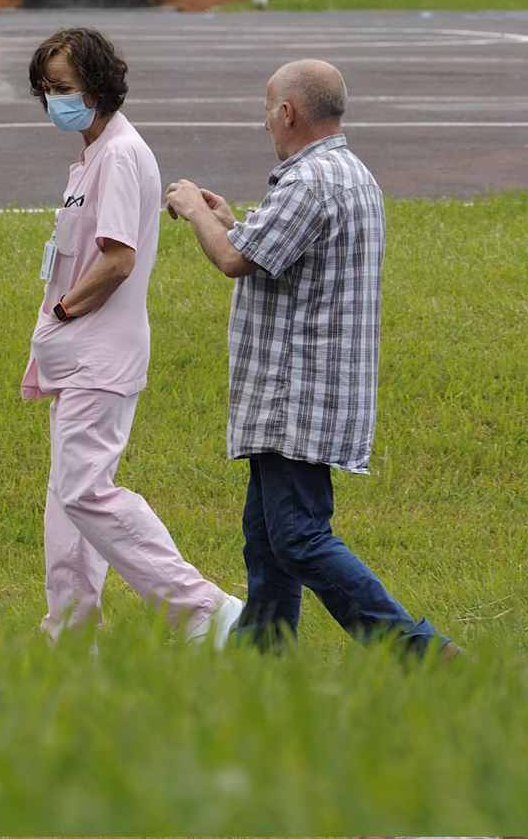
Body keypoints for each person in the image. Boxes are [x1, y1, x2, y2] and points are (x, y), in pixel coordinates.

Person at [165, 58, 459, 657]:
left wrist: (194, 210)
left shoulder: (308, 181)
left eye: (267, 111)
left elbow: (234, 260)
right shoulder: (351, 174)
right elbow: (274, 251)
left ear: (288, 112)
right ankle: (262, 658)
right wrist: (229, 220)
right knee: (267, 538)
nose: (264, 123)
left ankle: (419, 651)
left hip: (294, 395)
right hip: (319, 391)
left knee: (298, 537)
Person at [24, 26, 243, 647]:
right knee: (67, 500)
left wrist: (62, 311)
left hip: (98, 354)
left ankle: (206, 612)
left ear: (96, 87)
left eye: (64, 88)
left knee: (85, 490)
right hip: (78, 357)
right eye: (47, 89)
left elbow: (117, 260)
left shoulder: (119, 154)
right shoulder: (93, 155)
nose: (54, 101)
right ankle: (70, 638)